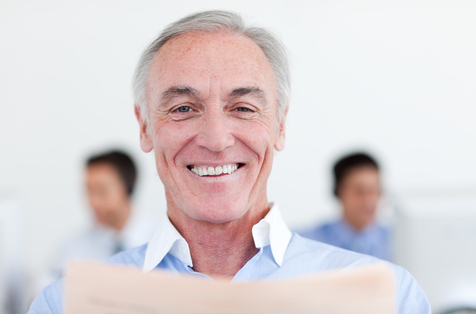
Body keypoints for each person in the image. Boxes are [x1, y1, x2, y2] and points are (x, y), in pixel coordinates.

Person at [29, 10, 430, 313]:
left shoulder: (389, 300)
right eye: (184, 108)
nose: (217, 140)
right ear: (146, 127)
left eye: (242, 107)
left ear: (280, 125)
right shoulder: (65, 306)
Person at [37, 150, 156, 289]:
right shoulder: (71, 249)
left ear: (128, 188)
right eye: (88, 191)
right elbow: (42, 293)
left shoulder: (162, 243)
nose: (93, 202)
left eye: (101, 191)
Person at [298, 152, 391, 261]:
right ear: (338, 192)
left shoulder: (399, 242)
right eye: (359, 191)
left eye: (374, 191)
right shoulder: (306, 243)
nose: (368, 201)